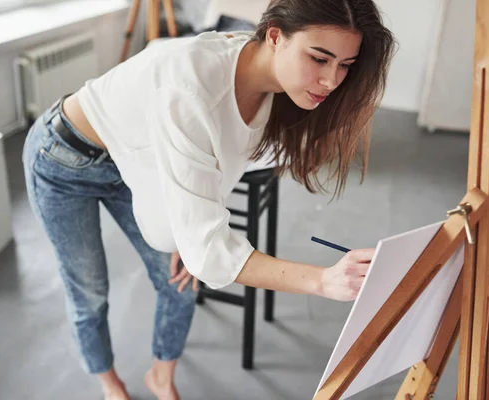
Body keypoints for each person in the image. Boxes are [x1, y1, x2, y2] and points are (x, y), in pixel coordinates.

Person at [21, 0, 396, 399]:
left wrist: (196, 224)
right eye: (320, 58)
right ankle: (109, 383)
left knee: (180, 283)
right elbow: (209, 248)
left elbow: (218, 162)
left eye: (345, 65)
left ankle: (160, 378)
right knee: (90, 292)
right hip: (64, 159)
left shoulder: (268, 87)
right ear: (274, 36)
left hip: (139, 156)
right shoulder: (190, 86)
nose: (331, 80)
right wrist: (322, 280)